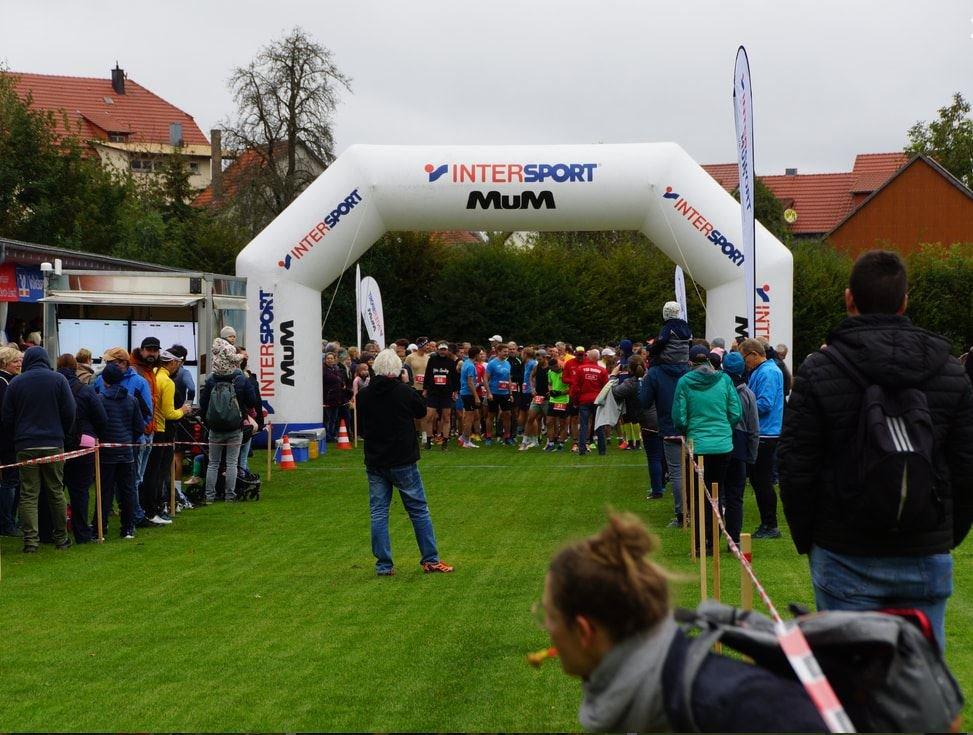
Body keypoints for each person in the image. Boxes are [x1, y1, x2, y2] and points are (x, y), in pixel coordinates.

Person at [779, 250, 973, 652]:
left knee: (850, 682)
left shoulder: (818, 370)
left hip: (847, 549)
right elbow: (966, 466)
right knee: (920, 682)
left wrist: (812, 539)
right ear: (905, 302)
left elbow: (796, 467)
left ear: (849, 298)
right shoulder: (951, 371)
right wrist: (944, 535)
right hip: (913, 548)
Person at [540, 513, 826, 732]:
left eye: (548, 616)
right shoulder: (649, 688)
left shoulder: (726, 707)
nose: (547, 629)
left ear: (584, 631)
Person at [356, 348, 453, 576]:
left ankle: (384, 565)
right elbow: (421, 412)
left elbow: (360, 429)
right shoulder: (404, 392)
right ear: (398, 370)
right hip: (403, 459)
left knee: (379, 513)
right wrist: (406, 383)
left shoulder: (364, 395)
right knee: (418, 510)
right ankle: (430, 559)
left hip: (376, 460)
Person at [1, 346, 76, 553]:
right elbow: (70, 411)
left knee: (28, 494)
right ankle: (61, 538)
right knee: (56, 491)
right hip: (53, 443)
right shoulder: (59, 380)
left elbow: (7, 416)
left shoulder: (16, 383)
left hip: (25, 443)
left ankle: (30, 541)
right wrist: (63, 434)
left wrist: (17, 437)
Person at [672, 344, 741, 555]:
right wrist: (724, 429)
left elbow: (679, 417)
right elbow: (735, 412)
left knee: (699, 495)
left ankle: (703, 542)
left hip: (698, 445)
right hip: (722, 445)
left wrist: (689, 430)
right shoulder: (725, 379)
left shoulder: (684, 382)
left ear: (690, 362)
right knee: (717, 491)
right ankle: (714, 539)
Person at [56, 353, 108, 544]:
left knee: (54, 490)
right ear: (75, 368)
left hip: (59, 442)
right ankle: (81, 533)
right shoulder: (85, 390)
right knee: (80, 490)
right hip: (83, 443)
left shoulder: (54, 389)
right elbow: (101, 418)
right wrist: (94, 433)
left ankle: (52, 530)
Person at [92, 362, 146, 540]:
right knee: (127, 491)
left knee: (104, 490)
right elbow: (139, 427)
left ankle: (100, 527)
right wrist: (128, 439)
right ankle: (128, 528)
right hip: (126, 451)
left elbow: (96, 424)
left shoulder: (100, 400)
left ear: (105, 381)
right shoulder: (132, 400)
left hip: (106, 452)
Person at [740, 338, 785, 540]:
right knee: (759, 481)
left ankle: (770, 525)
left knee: (763, 481)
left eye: (744, 358)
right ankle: (767, 523)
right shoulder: (762, 370)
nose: (744, 363)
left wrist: (741, 410)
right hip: (762, 431)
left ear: (754, 354)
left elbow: (765, 404)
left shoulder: (768, 372)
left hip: (766, 433)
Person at [200, 339, 254, 504]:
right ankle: (230, 495)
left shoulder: (211, 380)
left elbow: (203, 404)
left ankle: (209, 496)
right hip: (234, 427)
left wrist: (208, 421)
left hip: (215, 428)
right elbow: (251, 401)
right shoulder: (240, 379)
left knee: (213, 463)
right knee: (232, 463)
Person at [141, 350, 191, 523]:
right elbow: (169, 413)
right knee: (158, 473)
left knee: (148, 472)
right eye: (179, 363)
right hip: (162, 431)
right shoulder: (167, 382)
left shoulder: (154, 374)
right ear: (173, 363)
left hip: (150, 429)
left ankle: (148, 507)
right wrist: (183, 410)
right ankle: (155, 509)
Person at [722, 351, 759, 544]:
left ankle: (712, 538)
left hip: (719, 444)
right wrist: (751, 456)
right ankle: (734, 539)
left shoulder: (718, 391)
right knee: (735, 496)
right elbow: (754, 428)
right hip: (739, 446)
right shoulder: (748, 395)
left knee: (717, 493)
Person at [611, 355, 662, 497]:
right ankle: (662, 484)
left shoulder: (631, 383)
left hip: (648, 423)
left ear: (630, 369)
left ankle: (657, 490)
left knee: (653, 458)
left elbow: (615, 392)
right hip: (662, 419)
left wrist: (613, 376)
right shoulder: (652, 377)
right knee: (663, 456)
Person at [0, 345, 23, 536]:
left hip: (8, 438)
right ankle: (7, 523)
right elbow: (6, 415)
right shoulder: (4, 383)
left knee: (12, 480)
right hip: (7, 440)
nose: (19, 364)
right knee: (11, 481)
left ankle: (9, 521)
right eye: (15, 361)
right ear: (4, 363)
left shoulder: (8, 381)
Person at [572, 349, 609, 456]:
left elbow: (575, 387)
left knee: (583, 425)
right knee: (599, 425)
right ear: (598, 358)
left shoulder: (580, 369)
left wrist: (575, 401)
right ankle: (602, 450)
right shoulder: (602, 370)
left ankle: (582, 449)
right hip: (597, 400)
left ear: (588, 357)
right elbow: (606, 387)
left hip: (584, 400)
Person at [422, 342, 459, 450]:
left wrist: (455, 391)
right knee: (429, 416)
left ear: (447, 350)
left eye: (444, 349)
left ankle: (445, 442)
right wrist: (425, 389)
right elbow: (427, 374)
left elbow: (455, 377)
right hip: (433, 392)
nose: (443, 351)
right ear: (437, 350)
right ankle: (428, 441)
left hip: (446, 393)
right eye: (441, 349)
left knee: (446, 417)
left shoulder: (451, 362)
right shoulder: (432, 360)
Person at [485, 343, 514, 445]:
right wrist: (489, 393)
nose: (507, 353)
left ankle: (507, 437)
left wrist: (510, 393)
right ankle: (488, 437)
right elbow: (485, 378)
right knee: (491, 415)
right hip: (494, 393)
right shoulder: (492, 363)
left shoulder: (507, 363)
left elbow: (509, 378)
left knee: (507, 415)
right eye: (504, 351)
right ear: (498, 352)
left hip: (505, 393)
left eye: (507, 351)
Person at [322, 351, 351, 442]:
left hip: (337, 398)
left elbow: (341, 380)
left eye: (331, 358)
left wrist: (342, 384)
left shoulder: (336, 369)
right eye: (328, 358)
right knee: (328, 418)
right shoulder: (323, 370)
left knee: (334, 418)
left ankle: (332, 435)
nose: (329, 360)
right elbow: (332, 379)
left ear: (334, 360)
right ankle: (328, 436)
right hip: (328, 398)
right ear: (325, 359)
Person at [458, 346, 482, 448]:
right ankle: (466, 441)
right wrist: (476, 396)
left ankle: (463, 437)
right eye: (480, 354)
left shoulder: (466, 363)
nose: (481, 356)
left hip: (465, 393)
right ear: (476, 355)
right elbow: (470, 382)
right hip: (468, 394)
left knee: (471, 416)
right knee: (469, 418)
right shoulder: (471, 366)